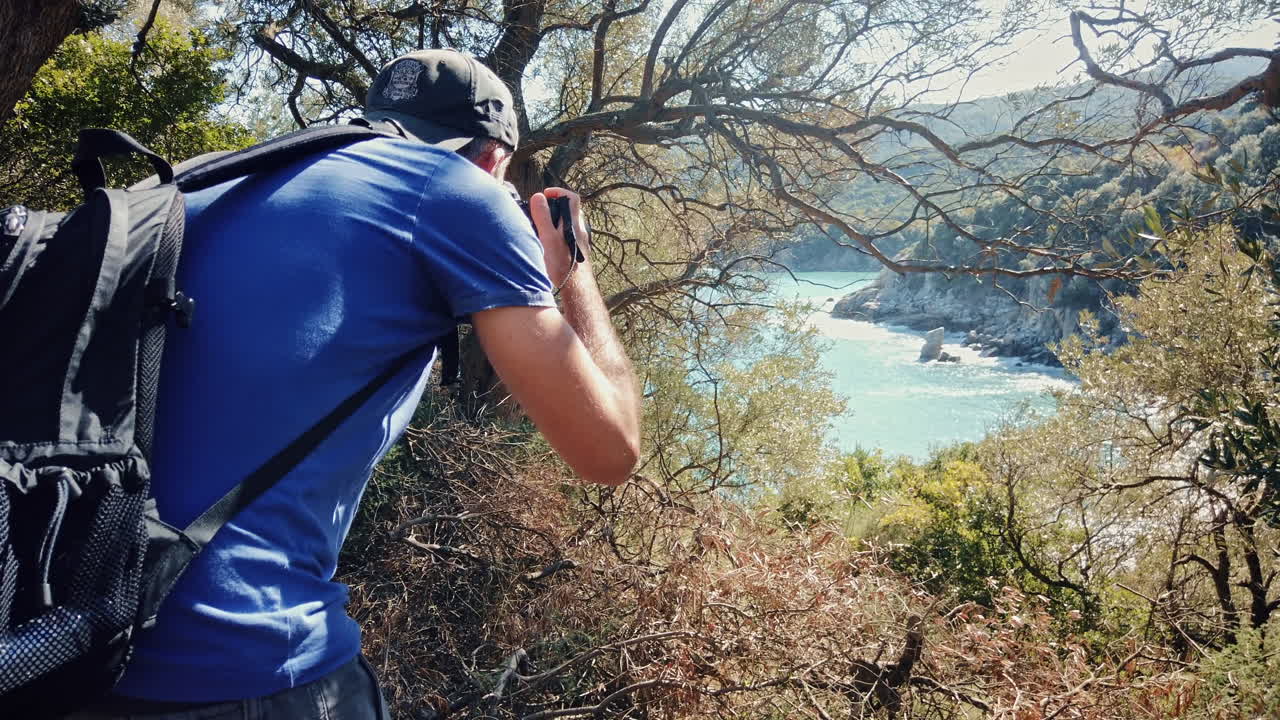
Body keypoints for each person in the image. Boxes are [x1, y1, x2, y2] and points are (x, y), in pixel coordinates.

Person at [67, 49, 640, 719]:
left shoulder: (214, 181)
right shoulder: (458, 191)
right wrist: (572, 271)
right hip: (240, 663)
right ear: (492, 160)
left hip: (66, 640)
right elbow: (609, 450)